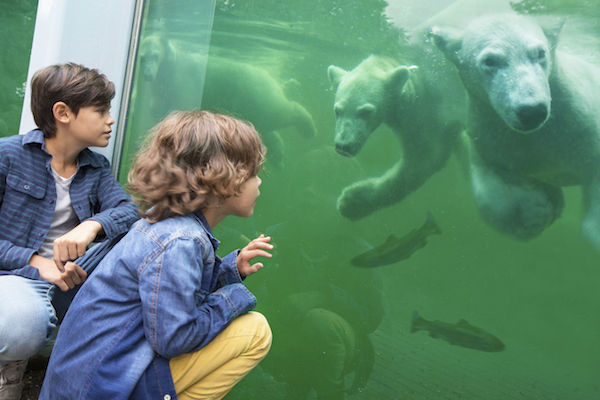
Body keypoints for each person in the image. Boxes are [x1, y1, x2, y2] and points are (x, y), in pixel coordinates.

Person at [40, 110, 273, 400]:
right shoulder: (180, 240)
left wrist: (229, 270)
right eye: (251, 174)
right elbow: (174, 338)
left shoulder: (164, 226)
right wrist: (234, 297)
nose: (259, 182)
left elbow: (172, 299)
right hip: (98, 388)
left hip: (84, 382)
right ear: (221, 180)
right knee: (255, 332)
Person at [0, 63, 139, 399]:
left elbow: (130, 211)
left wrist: (91, 226)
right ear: (63, 113)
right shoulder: (7, 155)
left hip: (74, 279)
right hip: (17, 278)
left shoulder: (96, 167)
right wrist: (37, 262)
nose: (111, 120)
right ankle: (11, 367)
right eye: (101, 110)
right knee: (19, 325)